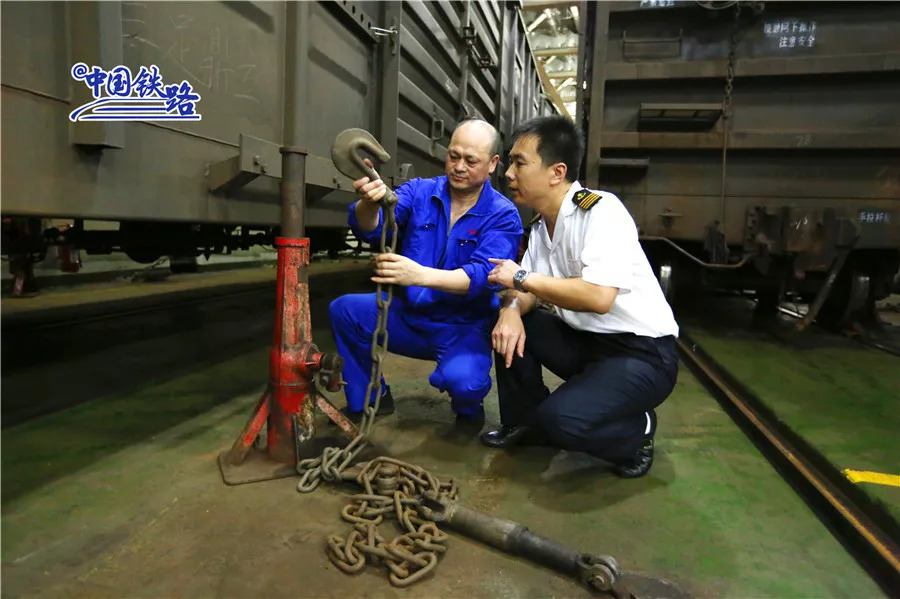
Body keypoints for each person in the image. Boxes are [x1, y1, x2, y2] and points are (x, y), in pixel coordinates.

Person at [481, 115, 679, 478]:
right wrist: (511, 309)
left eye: (519, 163)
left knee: (563, 421)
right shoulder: (542, 226)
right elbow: (526, 292)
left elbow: (600, 297)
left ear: (556, 173)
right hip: (589, 343)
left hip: (642, 354)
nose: (508, 173)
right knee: (510, 323)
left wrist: (521, 277)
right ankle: (524, 421)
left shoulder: (601, 212)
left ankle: (638, 432)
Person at [329, 119, 524, 423]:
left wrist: (417, 275)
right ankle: (371, 398)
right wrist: (369, 203)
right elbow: (374, 227)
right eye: (453, 156)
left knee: (465, 382)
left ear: (492, 164)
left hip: (462, 327)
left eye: (470, 160)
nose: (459, 166)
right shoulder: (419, 191)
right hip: (409, 317)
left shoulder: (502, 215)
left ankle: (468, 410)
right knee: (344, 311)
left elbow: (483, 276)